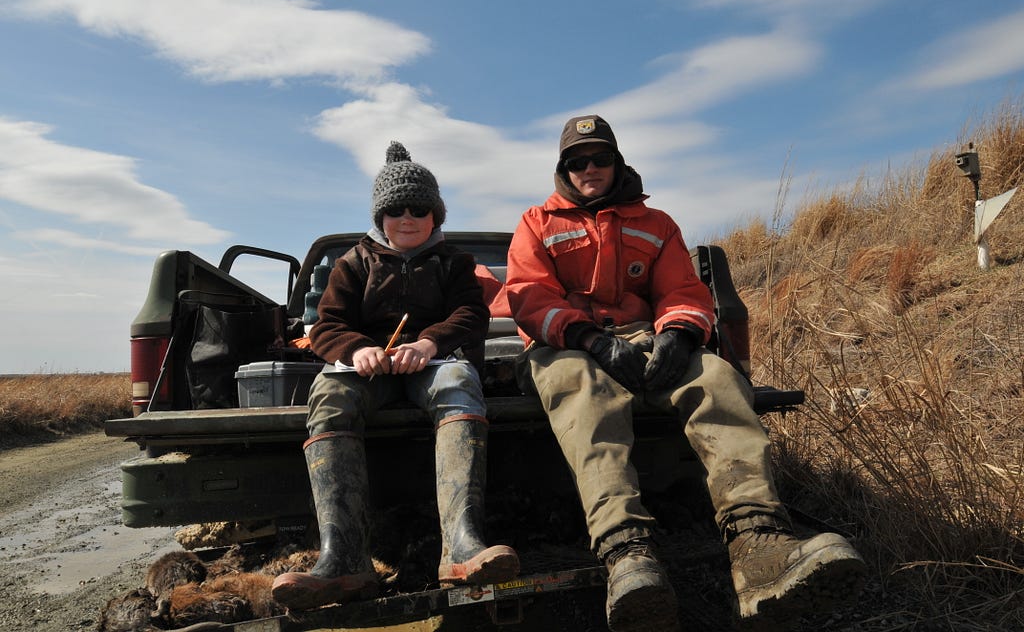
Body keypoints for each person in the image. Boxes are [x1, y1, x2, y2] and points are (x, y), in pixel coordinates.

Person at [506, 115, 866, 631]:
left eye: (599, 157)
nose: (589, 168)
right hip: (565, 347)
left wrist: (678, 334)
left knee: (717, 376)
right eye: (576, 161)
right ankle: (626, 553)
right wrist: (591, 340)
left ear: (616, 161)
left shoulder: (657, 224)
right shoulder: (537, 223)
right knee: (582, 391)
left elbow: (683, 291)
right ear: (563, 168)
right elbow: (530, 297)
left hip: (645, 340)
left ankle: (758, 545)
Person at [272, 141, 520, 610]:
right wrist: (357, 349)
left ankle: (462, 548)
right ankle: (344, 560)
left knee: (459, 386)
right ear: (379, 216)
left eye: (419, 208)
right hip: (368, 368)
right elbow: (325, 325)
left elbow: (471, 314)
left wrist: (429, 343)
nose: (407, 218)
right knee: (329, 396)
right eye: (395, 210)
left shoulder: (455, 263)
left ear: (435, 215)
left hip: (434, 363)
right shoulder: (352, 263)